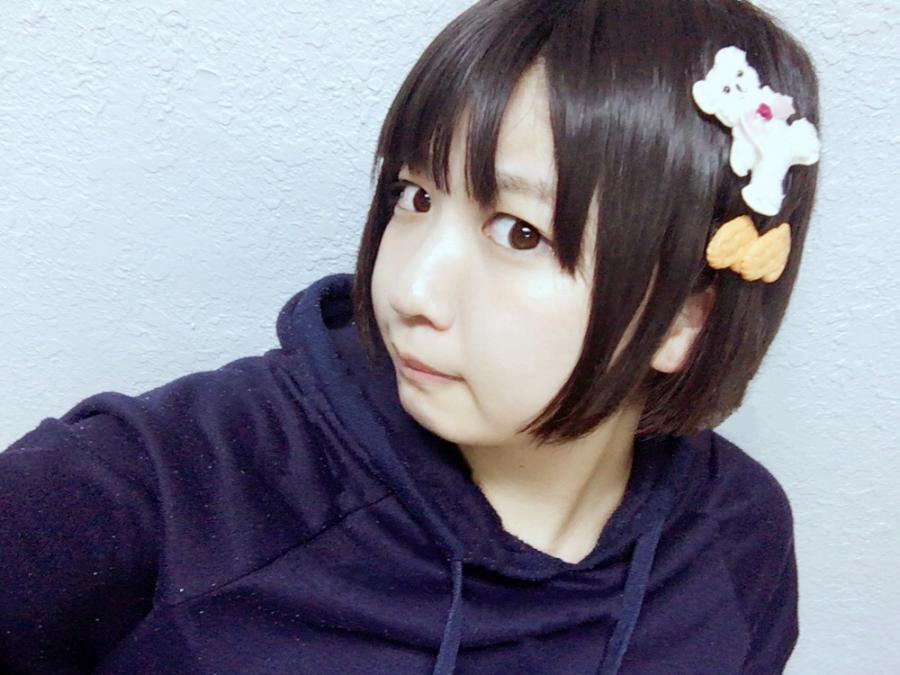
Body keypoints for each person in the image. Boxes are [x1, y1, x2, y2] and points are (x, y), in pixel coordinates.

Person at [0, 0, 821, 672]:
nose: (409, 289)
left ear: (684, 317)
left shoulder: (736, 539)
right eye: (414, 196)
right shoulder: (178, 484)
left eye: (520, 232)